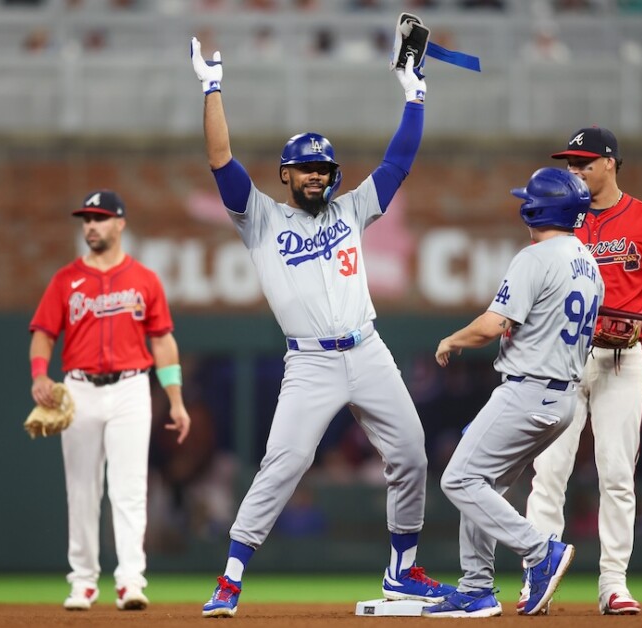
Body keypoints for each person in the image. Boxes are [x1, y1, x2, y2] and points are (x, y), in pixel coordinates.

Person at [189, 35, 454, 618]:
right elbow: (221, 163)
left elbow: (398, 163)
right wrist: (212, 89)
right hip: (309, 361)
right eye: (305, 168)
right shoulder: (260, 218)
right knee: (284, 462)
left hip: (368, 348)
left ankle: (402, 571)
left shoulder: (353, 209)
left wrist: (415, 95)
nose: (316, 176)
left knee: (410, 452)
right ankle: (231, 578)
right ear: (286, 175)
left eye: (323, 168)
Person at [421, 168, 602, 618]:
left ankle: (541, 551)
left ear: (536, 209)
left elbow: (494, 324)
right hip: (559, 400)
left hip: (528, 391)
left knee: (457, 480)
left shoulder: (535, 257)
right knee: (481, 485)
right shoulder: (589, 263)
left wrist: (451, 340)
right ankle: (477, 588)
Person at [522, 126, 642, 616]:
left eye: (584, 163)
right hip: (564, 356)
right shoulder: (556, 217)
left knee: (616, 474)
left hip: (623, 357)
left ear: (610, 162)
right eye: (571, 164)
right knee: (548, 471)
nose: (574, 171)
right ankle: (538, 577)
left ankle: (613, 584)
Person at [29, 189, 191, 611]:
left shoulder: (144, 279)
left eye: (99, 218)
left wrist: (175, 399)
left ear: (120, 223)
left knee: (130, 488)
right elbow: (44, 333)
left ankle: (130, 581)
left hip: (132, 388)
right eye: (86, 219)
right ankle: (83, 582)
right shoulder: (66, 279)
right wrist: (39, 376)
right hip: (79, 388)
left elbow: (163, 341)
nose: (91, 226)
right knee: (81, 489)